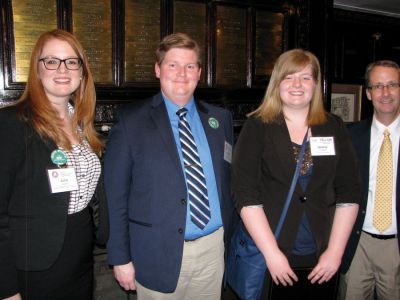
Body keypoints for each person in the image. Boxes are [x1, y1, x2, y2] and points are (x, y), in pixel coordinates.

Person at [104, 32, 236, 300]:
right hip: (155, 253)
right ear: (158, 69)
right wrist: (120, 257)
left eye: (190, 66)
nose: (181, 73)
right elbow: (114, 196)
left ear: (199, 72)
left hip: (213, 251)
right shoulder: (131, 122)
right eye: (172, 65)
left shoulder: (220, 120)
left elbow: (226, 179)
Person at [231, 49, 362, 298]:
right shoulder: (258, 126)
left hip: (320, 252)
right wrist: (272, 254)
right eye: (289, 77)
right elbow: (244, 194)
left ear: (315, 84)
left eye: (305, 77)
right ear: (277, 83)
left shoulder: (334, 126)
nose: (297, 85)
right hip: (272, 248)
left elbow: (349, 190)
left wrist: (335, 252)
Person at [0, 29, 106, 299]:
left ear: (82, 72)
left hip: (80, 257)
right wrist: (7, 289)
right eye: (52, 61)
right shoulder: (12, 123)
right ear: (37, 68)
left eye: (72, 61)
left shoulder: (82, 125)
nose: (63, 69)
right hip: (33, 265)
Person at [339, 60, 400, 300]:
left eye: (392, 84)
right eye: (378, 86)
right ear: (368, 93)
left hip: (396, 248)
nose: (385, 93)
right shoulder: (350, 137)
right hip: (357, 245)